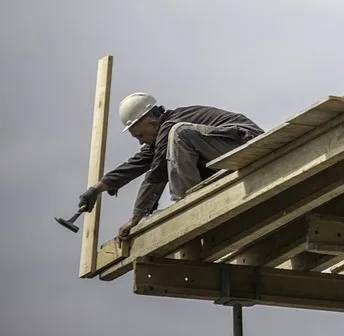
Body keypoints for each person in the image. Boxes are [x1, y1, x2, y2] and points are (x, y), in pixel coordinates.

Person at [77, 92, 264, 238]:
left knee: (179, 133)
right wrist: (97, 188)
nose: (141, 142)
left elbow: (157, 172)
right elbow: (137, 162)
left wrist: (136, 217)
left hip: (247, 143)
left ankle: (184, 204)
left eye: (140, 136)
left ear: (152, 122)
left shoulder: (171, 127)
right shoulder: (162, 132)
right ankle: (190, 198)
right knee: (176, 139)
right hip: (228, 149)